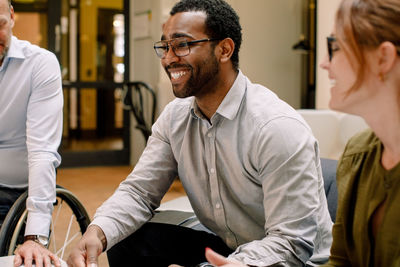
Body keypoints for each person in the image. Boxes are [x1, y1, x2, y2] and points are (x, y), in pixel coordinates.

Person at [67, 0, 332, 266]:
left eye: (182, 45)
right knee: (125, 238)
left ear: (224, 49)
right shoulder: (175, 117)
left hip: (293, 258)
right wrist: (97, 232)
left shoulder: (274, 127)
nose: (170, 58)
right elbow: (139, 192)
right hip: (230, 244)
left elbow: (291, 243)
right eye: (165, 47)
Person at [318, 0, 400, 266]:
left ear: (383, 58)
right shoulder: (358, 153)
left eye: (335, 47)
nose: (324, 64)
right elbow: (340, 260)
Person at [0, 0, 63, 266]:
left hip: (15, 193)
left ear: (12, 16)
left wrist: (36, 235)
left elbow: (42, 151)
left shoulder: (39, 64)